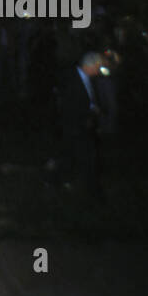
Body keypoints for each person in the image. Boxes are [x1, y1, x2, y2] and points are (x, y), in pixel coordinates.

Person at [58, 51, 104, 195]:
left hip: (83, 124)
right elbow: (69, 105)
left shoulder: (87, 79)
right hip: (75, 125)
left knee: (83, 154)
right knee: (74, 154)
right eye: (97, 67)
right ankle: (69, 181)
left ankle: (80, 182)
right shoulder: (72, 79)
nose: (98, 71)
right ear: (89, 66)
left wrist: (92, 108)